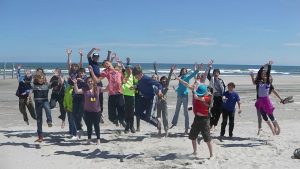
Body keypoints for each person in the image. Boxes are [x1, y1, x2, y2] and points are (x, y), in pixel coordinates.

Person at [174, 73, 214, 159]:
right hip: (197, 118)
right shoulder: (197, 90)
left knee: (207, 138)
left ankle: (211, 154)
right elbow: (186, 84)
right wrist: (178, 79)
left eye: (198, 81)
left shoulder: (208, 96)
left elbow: (200, 98)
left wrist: (195, 93)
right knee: (193, 136)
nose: (196, 82)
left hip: (205, 119)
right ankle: (195, 151)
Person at [89, 60, 126, 127]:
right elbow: (97, 80)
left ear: (110, 63)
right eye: (104, 65)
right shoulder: (106, 72)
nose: (106, 65)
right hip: (112, 94)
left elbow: (123, 80)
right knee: (111, 115)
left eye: (107, 63)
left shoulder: (118, 69)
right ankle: (115, 120)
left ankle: (121, 121)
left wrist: (121, 66)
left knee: (121, 110)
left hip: (120, 93)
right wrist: (91, 71)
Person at [250, 61, 282, 135]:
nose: (263, 75)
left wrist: (269, 65)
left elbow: (267, 73)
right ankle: (273, 131)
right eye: (262, 74)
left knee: (271, 116)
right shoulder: (259, 82)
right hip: (259, 101)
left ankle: (278, 128)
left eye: (265, 74)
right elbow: (259, 73)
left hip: (266, 101)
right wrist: (262, 66)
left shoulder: (268, 82)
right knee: (264, 117)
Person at [73, 76, 106, 145]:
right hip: (87, 111)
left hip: (96, 111)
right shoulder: (85, 89)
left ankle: (98, 139)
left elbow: (106, 89)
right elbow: (77, 91)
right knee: (89, 126)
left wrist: (112, 81)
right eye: (88, 82)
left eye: (91, 81)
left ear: (93, 81)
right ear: (87, 83)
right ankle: (89, 139)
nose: (90, 82)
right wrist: (75, 84)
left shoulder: (98, 88)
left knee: (96, 125)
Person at [170, 65, 201, 134]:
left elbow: (193, 74)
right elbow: (177, 80)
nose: (183, 71)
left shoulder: (187, 77)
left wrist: (198, 69)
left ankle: (186, 128)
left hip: (184, 96)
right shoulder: (181, 77)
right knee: (177, 110)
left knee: (185, 112)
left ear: (186, 72)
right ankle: (174, 123)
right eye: (182, 71)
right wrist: (172, 71)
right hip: (179, 95)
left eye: (185, 71)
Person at [132, 65, 163, 130]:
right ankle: (156, 122)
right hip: (144, 99)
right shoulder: (139, 80)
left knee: (148, 118)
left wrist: (160, 91)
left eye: (136, 76)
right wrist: (135, 87)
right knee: (137, 113)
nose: (135, 77)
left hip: (151, 99)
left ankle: (157, 122)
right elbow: (139, 86)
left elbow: (159, 84)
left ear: (140, 74)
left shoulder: (147, 79)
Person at [32, 73, 52, 142]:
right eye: (40, 78)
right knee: (39, 120)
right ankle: (40, 136)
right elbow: (28, 85)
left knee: (48, 110)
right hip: (37, 103)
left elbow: (55, 84)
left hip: (45, 101)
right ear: (37, 79)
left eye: (43, 78)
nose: (41, 79)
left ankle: (49, 121)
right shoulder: (34, 85)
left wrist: (57, 77)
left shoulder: (46, 85)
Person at [156, 65, 176, 136]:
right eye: (163, 81)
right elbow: (157, 77)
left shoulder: (166, 85)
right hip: (158, 103)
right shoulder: (159, 85)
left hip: (164, 103)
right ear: (161, 81)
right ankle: (159, 130)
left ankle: (166, 130)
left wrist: (171, 70)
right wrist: (155, 68)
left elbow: (169, 77)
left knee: (165, 118)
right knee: (158, 118)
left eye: (165, 81)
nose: (164, 82)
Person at [87, 47, 104, 123]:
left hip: (99, 82)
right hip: (92, 83)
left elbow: (108, 63)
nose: (96, 58)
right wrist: (93, 49)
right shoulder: (91, 62)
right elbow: (88, 55)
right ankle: (94, 111)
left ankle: (100, 114)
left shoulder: (98, 64)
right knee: (93, 98)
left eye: (97, 57)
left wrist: (110, 55)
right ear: (93, 57)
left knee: (100, 99)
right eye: (95, 57)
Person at [122, 64, 137, 133]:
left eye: (129, 68)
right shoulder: (123, 74)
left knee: (131, 112)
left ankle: (132, 126)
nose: (128, 69)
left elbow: (137, 83)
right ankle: (127, 127)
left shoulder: (133, 75)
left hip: (132, 95)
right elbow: (123, 82)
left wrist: (134, 86)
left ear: (131, 69)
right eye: (127, 68)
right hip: (124, 95)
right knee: (125, 112)